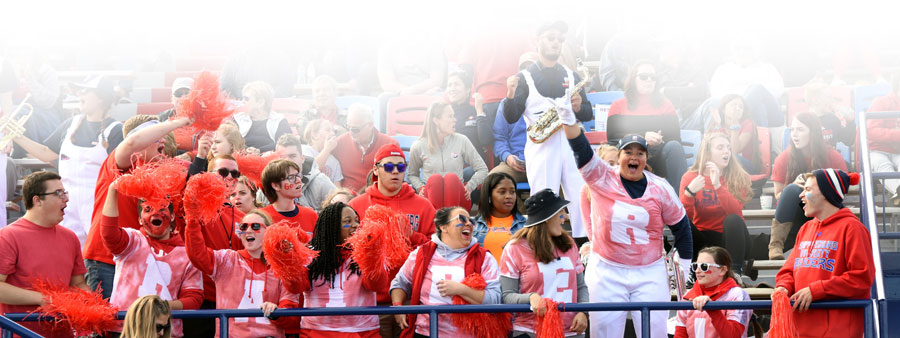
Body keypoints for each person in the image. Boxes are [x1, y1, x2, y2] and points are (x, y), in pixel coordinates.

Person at [560, 113, 694, 337]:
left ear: (646, 158)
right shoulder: (602, 177)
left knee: (654, 332)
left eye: (640, 153)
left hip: (649, 270)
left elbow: (682, 227)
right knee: (605, 333)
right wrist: (568, 120)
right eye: (628, 152)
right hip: (607, 268)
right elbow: (581, 151)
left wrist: (685, 271)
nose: (634, 157)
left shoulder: (660, 188)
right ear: (619, 156)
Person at [83, 114, 190, 300]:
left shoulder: (162, 169)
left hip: (138, 258)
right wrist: (180, 122)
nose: (163, 138)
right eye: (156, 135)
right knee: (112, 326)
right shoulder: (120, 162)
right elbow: (132, 143)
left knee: (139, 324)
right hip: (107, 259)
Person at [502, 21, 592, 239]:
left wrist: (580, 107)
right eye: (551, 38)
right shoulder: (524, 77)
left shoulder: (572, 75)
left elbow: (588, 113)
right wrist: (511, 94)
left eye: (559, 39)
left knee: (579, 195)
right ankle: (541, 248)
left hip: (571, 143)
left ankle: (583, 249)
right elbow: (511, 116)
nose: (556, 43)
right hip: (542, 144)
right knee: (543, 198)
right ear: (538, 40)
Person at [12, 75, 124, 245]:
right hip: (66, 205)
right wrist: (15, 136)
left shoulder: (116, 130)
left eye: (86, 90)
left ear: (101, 97)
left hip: (100, 204)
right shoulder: (70, 123)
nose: (80, 94)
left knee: (99, 256)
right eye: (79, 90)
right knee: (70, 255)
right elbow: (47, 153)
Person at [774, 169, 875, 338]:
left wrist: (817, 290)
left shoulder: (853, 228)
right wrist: (784, 287)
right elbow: (789, 270)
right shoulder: (805, 228)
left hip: (838, 332)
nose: (801, 195)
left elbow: (862, 277)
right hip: (800, 330)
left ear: (827, 194)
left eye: (808, 189)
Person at [348, 143, 435, 338]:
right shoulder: (356, 205)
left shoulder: (423, 205)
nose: (395, 171)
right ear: (375, 170)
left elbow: (437, 250)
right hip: (369, 301)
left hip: (410, 301)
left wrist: (412, 236)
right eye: (388, 167)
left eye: (400, 167)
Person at [100, 181, 203, 337]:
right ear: (140, 219)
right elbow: (108, 234)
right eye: (148, 209)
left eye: (162, 208)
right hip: (125, 328)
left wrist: (160, 308)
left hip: (165, 331)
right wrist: (112, 190)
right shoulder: (132, 240)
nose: (155, 213)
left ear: (173, 216)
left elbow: (194, 299)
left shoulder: (187, 254)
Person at [185, 209, 301, 337]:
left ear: (268, 232)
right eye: (244, 226)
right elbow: (197, 255)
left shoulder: (282, 267)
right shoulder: (227, 259)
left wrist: (277, 313)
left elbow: (291, 316)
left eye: (256, 226)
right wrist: (192, 220)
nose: (248, 230)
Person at [390, 207, 502, 338]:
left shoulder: (485, 258)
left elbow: (495, 299)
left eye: (471, 220)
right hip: (425, 333)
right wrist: (398, 306)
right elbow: (400, 283)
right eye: (462, 219)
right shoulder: (421, 254)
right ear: (443, 227)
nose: (469, 224)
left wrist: (461, 290)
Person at [0, 171, 89, 336]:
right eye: (58, 193)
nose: (66, 198)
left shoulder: (70, 237)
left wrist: (90, 301)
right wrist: (43, 299)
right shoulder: (8, 236)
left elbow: (77, 284)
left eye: (65, 192)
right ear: (37, 200)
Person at [499, 189, 589, 338]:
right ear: (547, 217)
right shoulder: (514, 248)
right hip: (530, 331)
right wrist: (531, 298)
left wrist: (583, 313)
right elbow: (507, 296)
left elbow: (581, 287)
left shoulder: (569, 244)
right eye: (561, 213)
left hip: (571, 332)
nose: (564, 218)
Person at [301, 202, 389, 337]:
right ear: (332, 227)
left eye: (356, 221)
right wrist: (285, 263)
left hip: (363, 331)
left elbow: (377, 285)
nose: (355, 225)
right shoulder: (309, 256)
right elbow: (296, 287)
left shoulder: (368, 253)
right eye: (347, 222)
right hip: (317, 332)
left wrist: (371, 256)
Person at [768, 114, 847, 260]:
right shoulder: (783, 158)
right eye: (792, 130)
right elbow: (778, 195)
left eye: (800, 130)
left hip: (824, 209)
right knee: (792, 189)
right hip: (796, 213)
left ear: (813, 132)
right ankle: (775, 246)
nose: (795, 134)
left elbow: (842, 190)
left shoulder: (832, 156)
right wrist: (794, 186)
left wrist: (814, 186)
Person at [607, 60, 688, 190]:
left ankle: (679, 203)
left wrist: (658, 140)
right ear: (633, 79)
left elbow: (675, 138)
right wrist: (642, 138)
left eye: (653, 77)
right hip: (630, 158)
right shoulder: (618, 106)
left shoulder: (666, 105)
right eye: (644, 77)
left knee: (674, 146)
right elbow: (612, 139)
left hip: (658, 158)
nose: (649, 80)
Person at [680, 133, 753, 275]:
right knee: (684, 224)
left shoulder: (739, 176)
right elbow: (683, 218)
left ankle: (735, 273)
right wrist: (689, 193)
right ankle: (689, 271)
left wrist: (718, 186)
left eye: (728, 148)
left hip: (732, 240)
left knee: (732, 220)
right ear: (707, 153)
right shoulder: (690, 177)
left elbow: (736, 213)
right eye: (720, 147)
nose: (726, 151)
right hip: (703, 241)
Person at [408, 101, 488, 210]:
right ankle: (439, 223)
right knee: (435, 179)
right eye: (450, 116)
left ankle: (451, 222)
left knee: (451, 178)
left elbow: (482, 169)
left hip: (458, 199)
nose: (455, 120)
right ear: (436, 121)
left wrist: (469, 187)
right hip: (431, 199)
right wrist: (420, 187)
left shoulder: (461, 140)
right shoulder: (419, 145)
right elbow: (412, 174)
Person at [708, 35, 784, 128]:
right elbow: (716, 94)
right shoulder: (723, 70)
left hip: (770, 115)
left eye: (747, 48)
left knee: (757, 89)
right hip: (734, 111)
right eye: (738, 48)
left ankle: (735, 120)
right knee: (757, 108)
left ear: (756, 51)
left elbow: (777, 91)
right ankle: (737, 119)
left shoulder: (767, 68)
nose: (742, 52)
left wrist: (751, 94)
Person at [675, 246, 751, 338]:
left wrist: (712, 309)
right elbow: (680, 335)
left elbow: (733, 335)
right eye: (695, 266)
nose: (698, 271)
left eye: (704, 267)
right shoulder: (688, 296)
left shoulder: (737, 295)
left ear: (722, 270)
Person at [333, 104, 399, 192]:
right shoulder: (340, 142)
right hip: (348, 198)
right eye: (348, 127)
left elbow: (394, 178)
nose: (351, 132)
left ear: (370, 125)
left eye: (356, 129)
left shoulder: (390, 144)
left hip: (378, 195)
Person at [473, 172, 526, 263]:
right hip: (484, 276)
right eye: (502, 192)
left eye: (512, 192)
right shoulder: (473, 225)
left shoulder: (526, 225)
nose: (509, 196)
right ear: (489, 195)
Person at [275, 134, 336, 212]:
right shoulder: (269, 186)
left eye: (292, 156)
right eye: (282, 157)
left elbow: (342, 209)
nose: (287, 161)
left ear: (302, 158)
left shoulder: (320, 181)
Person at [260, 159, 319, 236]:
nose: (298, 181)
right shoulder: (262, 217)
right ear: (276, 186)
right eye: (291, 178)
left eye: (298, 176)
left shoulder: (311, 216)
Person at [865, 74, 900, 205]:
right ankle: (898, 190)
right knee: (882, 165)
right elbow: (871, 131)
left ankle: (898, 194)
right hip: (877, 149)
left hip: (898, 151)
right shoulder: (881, 102)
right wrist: (897, 135)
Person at [445, 71, 494, 162]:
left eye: (456, 84)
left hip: (472, 165)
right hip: (448, 163)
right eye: (449, 85)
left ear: (467, 89)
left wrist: (479, 112)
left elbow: (486, 140)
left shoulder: (477, 109)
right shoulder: (442, 113)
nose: (452, 88)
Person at [707, 95, 761, 174]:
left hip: (745, 165)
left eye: (741, 107)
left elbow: (734, 151)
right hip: (724, 164)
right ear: (723, 109)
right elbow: (707, 147)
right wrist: (717, 126)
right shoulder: (718, 124)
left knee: (729, 156)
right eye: (733, 105)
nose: (737, 108)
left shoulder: (747, 124)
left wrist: (735, 123)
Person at [232, 81, 292, 152]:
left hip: (270, 159)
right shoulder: (238, 119)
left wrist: (259, 150)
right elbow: (230, 141)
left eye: (246, 99)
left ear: (260, 102)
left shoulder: (278, 120)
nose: (243, 102)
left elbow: (286, 144)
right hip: (242, 157)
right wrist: (247, 150)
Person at [803, 81, 856, 149]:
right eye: (828, 97)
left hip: (829, 158)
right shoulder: (803, 121)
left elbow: (848, 141)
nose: (832, 101)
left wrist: (850, 121)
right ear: (815, 100)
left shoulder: (832, 119)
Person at [303, 119, 344, 185]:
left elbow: (337, 189)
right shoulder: (304, 150)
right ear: (314, 135)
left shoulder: (334, 161)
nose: (333, 133)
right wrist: (327, 149)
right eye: (328, 130)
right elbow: (311, 171)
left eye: (333, 131)